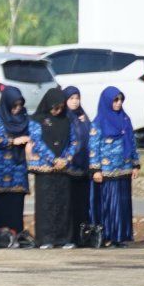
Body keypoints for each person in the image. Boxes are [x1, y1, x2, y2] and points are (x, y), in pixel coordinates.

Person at [89, 86, 140, 247]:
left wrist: (135, 164)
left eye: (120, 100)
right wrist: (95, 169)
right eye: (115, 100)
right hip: (107, 170)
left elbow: (132, 142)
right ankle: (108, 236)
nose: (118, 103)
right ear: (107, 101)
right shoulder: (99, 122)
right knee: (109, 204)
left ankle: (120, 236)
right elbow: (93, 147)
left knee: (123, 203)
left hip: (123, 168)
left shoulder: (125, 119)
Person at [28, 88, 79, 248]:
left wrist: (67, 158)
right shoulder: (37, 121)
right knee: (46, 204)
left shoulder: (67, 120)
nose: (58, 111)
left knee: (64, 204)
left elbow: (74, 142)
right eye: (55, 107)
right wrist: (52, 159)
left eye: (60, 107)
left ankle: (64, 238)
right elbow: (37, 142)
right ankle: (46, 238)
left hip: (63, 168)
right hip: (45, 168)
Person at [0, 86, 32, 235]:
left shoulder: (25, 117)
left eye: (20, 105)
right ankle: (1, 235)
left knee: (16, 202)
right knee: (2, 202)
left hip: (18, 167)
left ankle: (17, 234)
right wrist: (13, 141)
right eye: (14, 105)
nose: (17, 109)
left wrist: (29, 141)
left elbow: (33, 134)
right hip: (2, 167)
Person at [62, 86, 92, 244]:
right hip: (69, 168)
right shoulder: (64, 118)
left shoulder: (83, 116)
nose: (75, 102)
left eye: (77, 98)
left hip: (84, 169)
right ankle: (70, 237)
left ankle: (83, 237)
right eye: (71, 98)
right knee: (70, 204)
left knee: (83, 204)